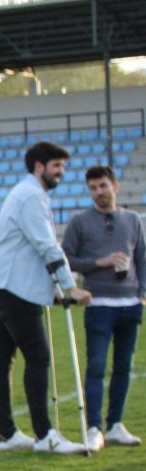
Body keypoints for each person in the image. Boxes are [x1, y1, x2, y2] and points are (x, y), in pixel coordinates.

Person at [0, 142, 93, 455]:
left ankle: (7, 434)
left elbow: (27, 249)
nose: (61, 173)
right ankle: (45, 435)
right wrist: (70, 288)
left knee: (2, 359)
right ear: (39, 166)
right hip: (11, 288)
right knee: (38, 357)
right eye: (57, 166)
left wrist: (52, 291)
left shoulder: (24, 194)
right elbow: (46, 245)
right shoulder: (31, 196)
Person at [61, 164, 144, 450]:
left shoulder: (133, 220)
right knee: (96, 366)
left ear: (115, 187)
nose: (99, 193)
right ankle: (94, 428)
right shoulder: (80, 222)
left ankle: (115, 425)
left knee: (124, 366)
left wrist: (142, 295)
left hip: (130, 304)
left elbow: (141, 259)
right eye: (93, 188)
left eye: (103, 186)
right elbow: (67, 260)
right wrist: (100, 262)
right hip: (99, 304)